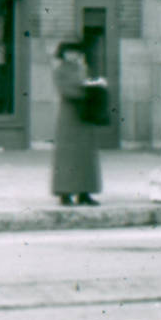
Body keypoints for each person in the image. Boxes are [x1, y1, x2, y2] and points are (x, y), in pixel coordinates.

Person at [49, 37, 109, 207]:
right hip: (69, 116)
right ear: (63, 54)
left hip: (84, 115)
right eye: (69, 52)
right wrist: (89, 89)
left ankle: (85, 192)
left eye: (76, 52)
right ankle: (65, 193)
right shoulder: (60, 70)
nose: (73, 55)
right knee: (68, 157)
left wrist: (93, 87)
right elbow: (67, 90)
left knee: (86, 157)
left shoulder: (82, 68)